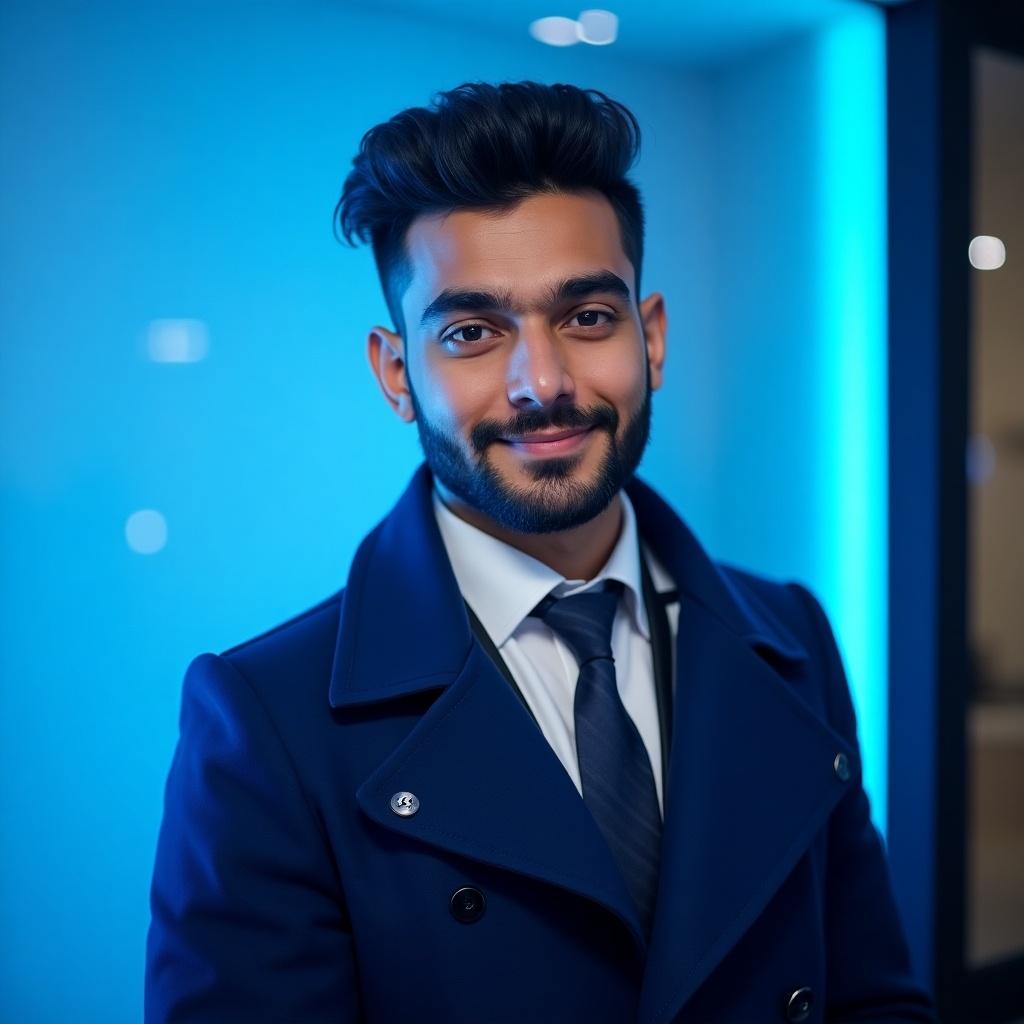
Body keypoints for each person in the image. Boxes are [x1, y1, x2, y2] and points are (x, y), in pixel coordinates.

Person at [145, 81, 936, 1023]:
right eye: (473, 332)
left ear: (651, 336)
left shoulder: (791, 637)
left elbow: (875, 1002)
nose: (543, 383)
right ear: (399, 374)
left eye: (587, 318)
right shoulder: (265, 722)